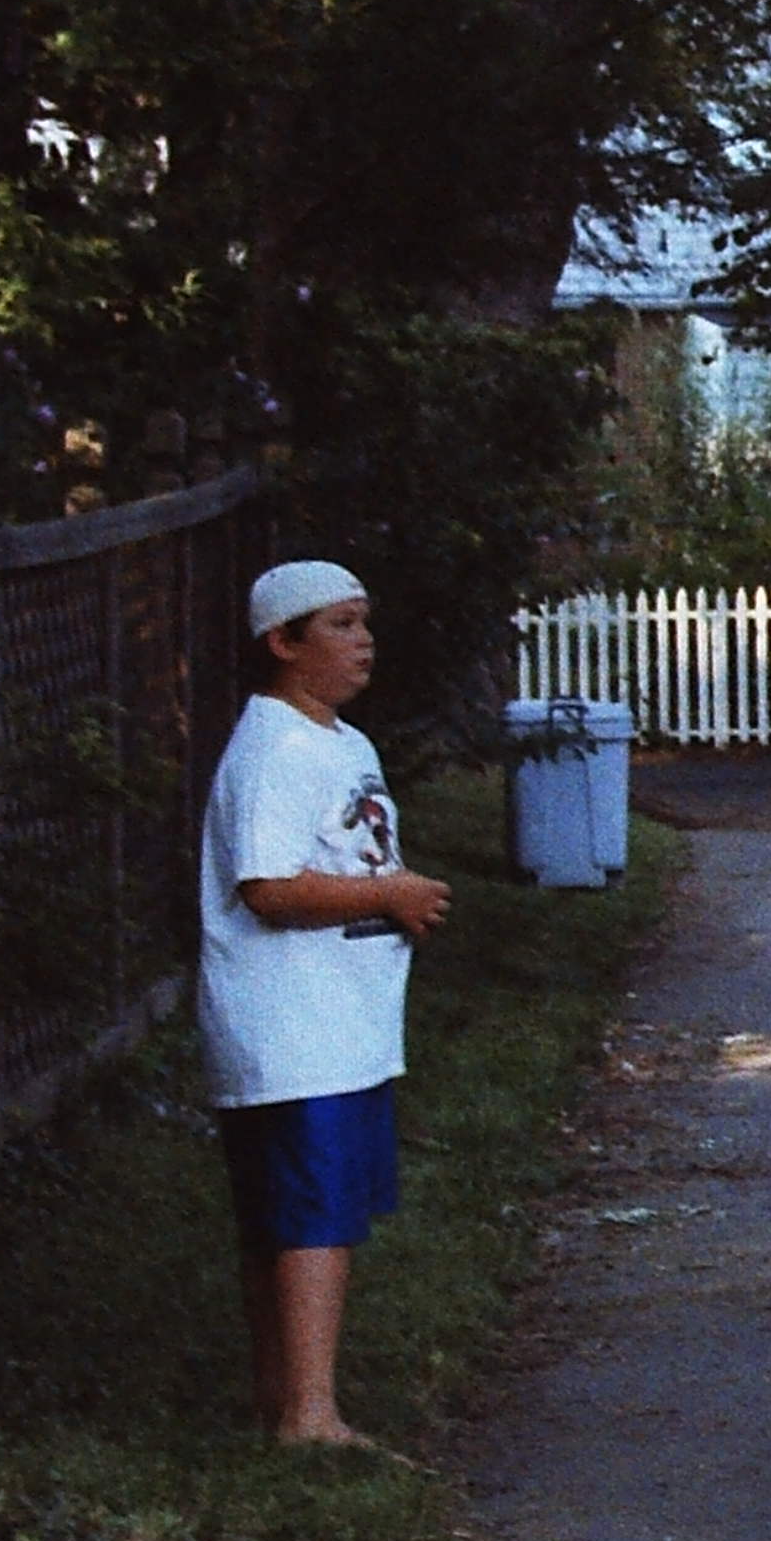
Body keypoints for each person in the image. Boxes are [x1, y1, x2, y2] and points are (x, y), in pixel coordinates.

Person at [199, 561, 450, 1449]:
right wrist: (389, 895)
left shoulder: (342, 741)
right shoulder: (274, 749)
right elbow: (267, 887)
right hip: (290, 1026)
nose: (364, 641)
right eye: (340, 625)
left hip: (344, 1023)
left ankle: (281, 1399)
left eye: (364, 621)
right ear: (283, 642)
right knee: (309, 1215)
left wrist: (393, 899)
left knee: (311, 1210)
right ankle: (309, 1414)